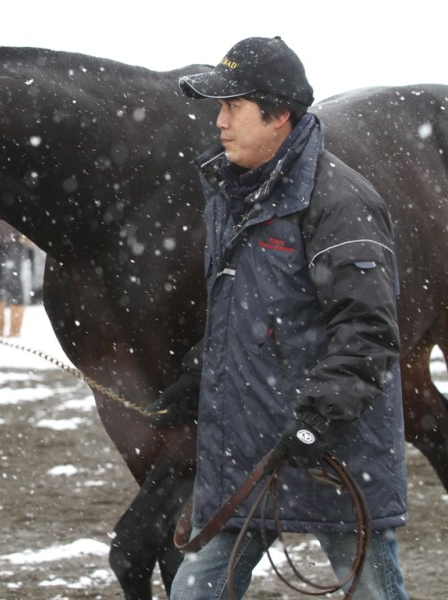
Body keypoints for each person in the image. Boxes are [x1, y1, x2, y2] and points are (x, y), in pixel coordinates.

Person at [164, 37, 409, 599]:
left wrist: (318, 419)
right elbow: (251, 306)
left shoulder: (341, 200)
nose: (219, 122)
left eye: (232, 108)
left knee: (374, 590)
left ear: (278, 115)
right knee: (195, 590)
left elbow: (368, 331)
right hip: (246, 453)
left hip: (335, 453)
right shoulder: (231, 193)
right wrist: (209, 365)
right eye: (219, 108)